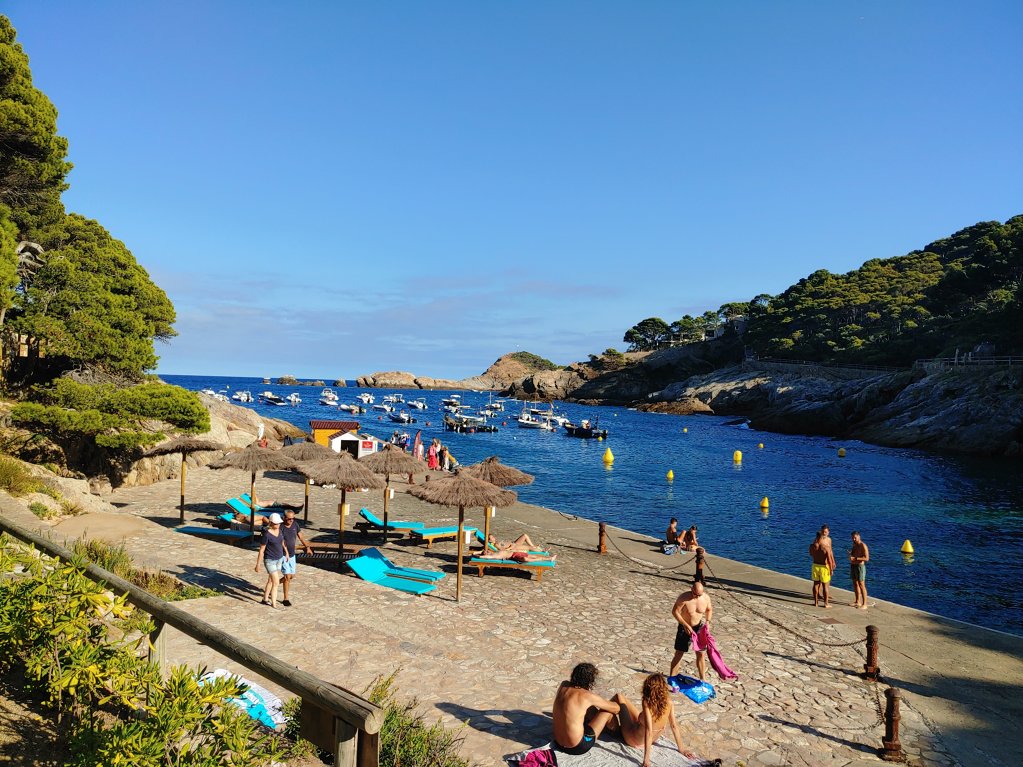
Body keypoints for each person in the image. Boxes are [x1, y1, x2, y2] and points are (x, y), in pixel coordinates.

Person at [609, 674, 690, 767]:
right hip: (650, 738)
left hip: (634, 739)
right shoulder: (669, 702)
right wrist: (681, 749)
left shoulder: (646, 702)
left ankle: (603, 716)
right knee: (629, 707)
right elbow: (674, 726)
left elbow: (649, 730)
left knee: (618, 697)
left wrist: (646, 761)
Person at [552, 663, 620, 755]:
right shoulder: (586, 696)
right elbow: (616, 709)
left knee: (588, 708)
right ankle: (618, 735)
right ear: (590, 680)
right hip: (578, 747)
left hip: (558, 743)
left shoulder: (564, 685)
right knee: (607, 713)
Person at [669, 581, 713, 680]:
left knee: (701, 654)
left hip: (699, 627)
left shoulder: (705, 598)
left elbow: (709, 609)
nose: (697, 597)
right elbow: (675, 612)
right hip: (684, 627)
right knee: (679, 653)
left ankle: (703, 680)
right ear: (691, 590)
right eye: (695, 594)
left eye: (699, 595)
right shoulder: (683, 598)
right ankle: (672, 679)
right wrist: (685, 625)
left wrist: (708, 622)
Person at [254, 513, 289, 608]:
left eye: (279, 523)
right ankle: (274, 604)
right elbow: (261, 550)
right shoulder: (266, 535)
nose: (278, 525)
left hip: (279, 558)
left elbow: (282, 542)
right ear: (271, 523)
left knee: (270, 580)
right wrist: (258, 564)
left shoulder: (280, 531)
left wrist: (286, 552)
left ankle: (265, 599)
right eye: (276, 523)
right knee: (276, 582)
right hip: (270, 560)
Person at [280, 510, 313, 607]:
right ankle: (286, 599)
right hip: (283, 555)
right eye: (289, 519)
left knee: (291, 576)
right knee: (287, 576)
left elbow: (301, 537)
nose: (291, 520)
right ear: (284, 518)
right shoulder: (281, 527)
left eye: (293, 518)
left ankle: (274, 584)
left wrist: (307, 547)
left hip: (292, 555)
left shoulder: (295, 525)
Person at [809, 530, 832, 608]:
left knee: (815, 584)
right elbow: (829, 560)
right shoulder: (826, 547)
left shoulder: (812, 546)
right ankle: (826, 604)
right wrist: (831, 569)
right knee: (825, 586)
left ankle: (816, 603)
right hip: (824, 567)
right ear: (822, 537)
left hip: (815, 565)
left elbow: (811, 554)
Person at [849, 531, 870, 609]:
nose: (854, 539)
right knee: (855, 584)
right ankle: (857, 601)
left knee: (861, 585)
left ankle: (864, 604)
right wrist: (851, 555)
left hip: (860, 566)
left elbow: (867, 558)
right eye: (853, 538)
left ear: (859, 536)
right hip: (853, 565)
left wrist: (856, 558)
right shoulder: (854, 545)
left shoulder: (863, 545)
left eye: (855, 537)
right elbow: (854, 553)